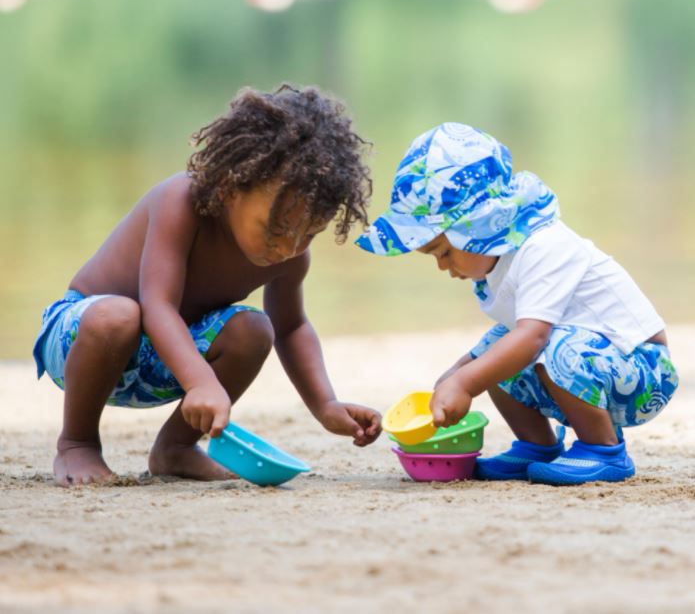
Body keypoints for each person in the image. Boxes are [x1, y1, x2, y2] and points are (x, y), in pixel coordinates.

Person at [34, 84, 382, 486]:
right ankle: (77, 443)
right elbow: (157, 305)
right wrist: (200, 380)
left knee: (254, 328)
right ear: (232, 188)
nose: (288, 247)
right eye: (277, 229)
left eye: (309, 234)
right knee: (119, 314)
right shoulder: (181, 203)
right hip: (85, 342)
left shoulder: (289, 256)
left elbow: (291, 327)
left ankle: (175, 448)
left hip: (165, 360)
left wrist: (325, 405)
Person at [356, 122, 678, 485]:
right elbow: (510, 345)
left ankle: (604, 450)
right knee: (492, 352)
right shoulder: (497, 264)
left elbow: (533, 338)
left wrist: (466, 384)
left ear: (477, 227)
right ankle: (536, 445)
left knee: (532, 347)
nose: (443, 266)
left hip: (642, 370)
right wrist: (451, 379)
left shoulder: (545, 245)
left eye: (443, 251)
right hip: (585, 358)